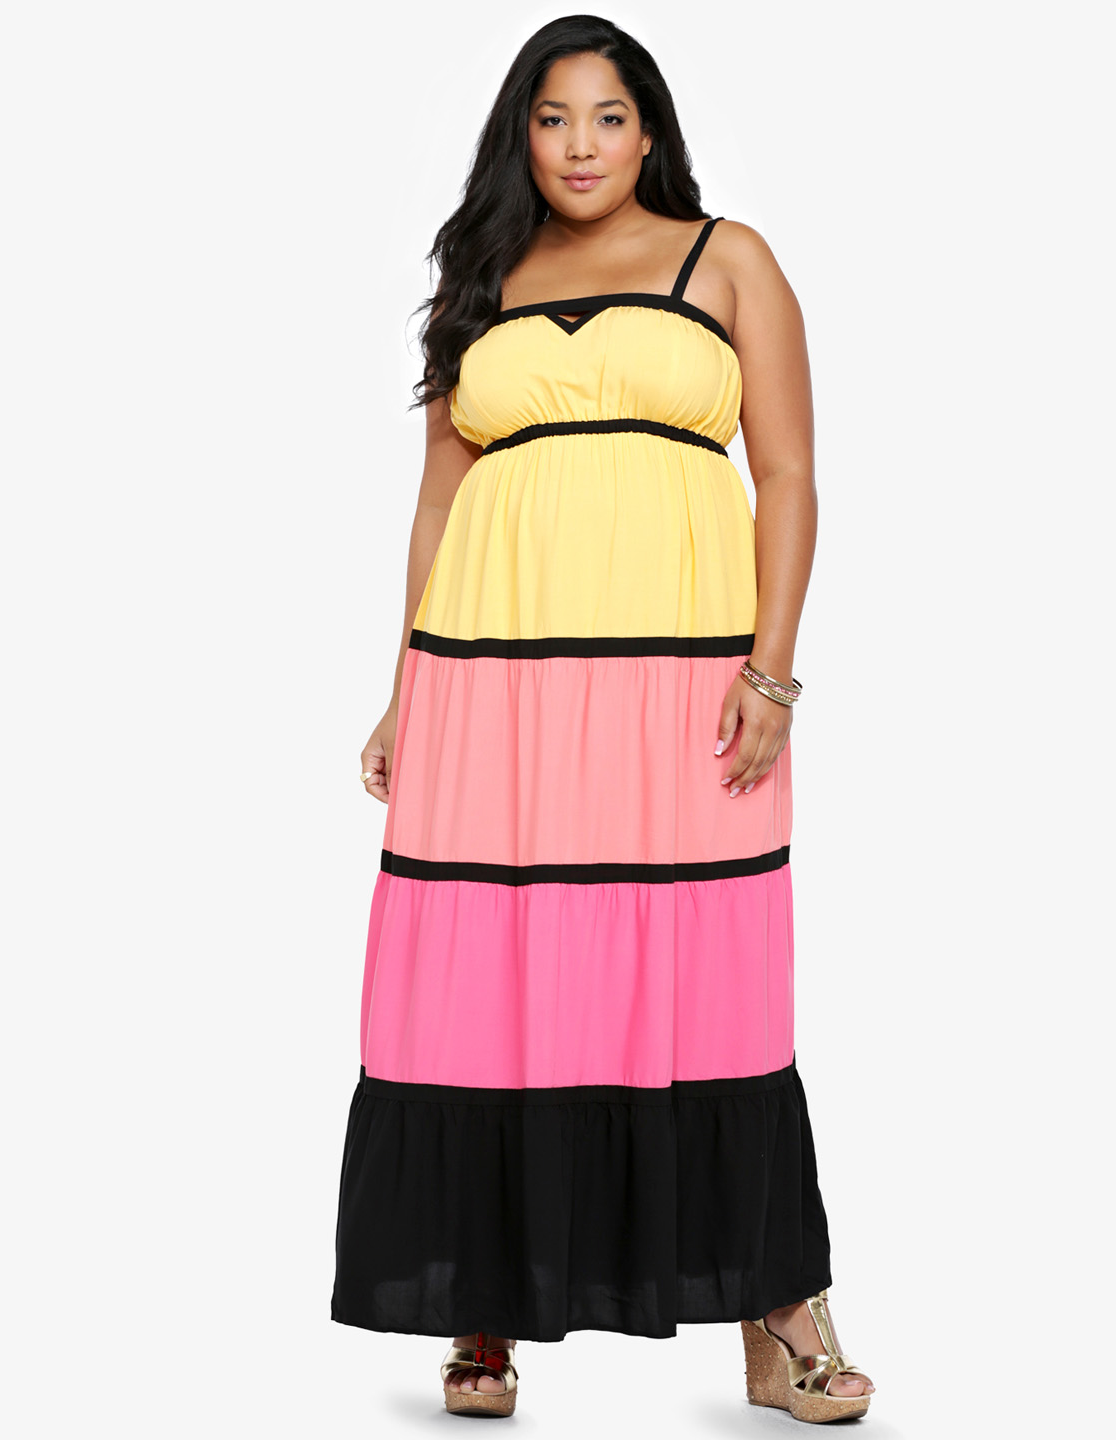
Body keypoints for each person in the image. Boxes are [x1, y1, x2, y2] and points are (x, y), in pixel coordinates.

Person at [331, 13, 877, 1426]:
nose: (580, 146)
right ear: (520, 133)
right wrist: (405, 683)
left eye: (609, 117)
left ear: (650, 132)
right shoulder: (482, 277)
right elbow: (442, 496)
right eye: (553, 117)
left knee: (713, 972)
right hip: (491, 682)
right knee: (491, 968)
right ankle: (482, 1298)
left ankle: (779, 1316)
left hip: (679, 679)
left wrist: (772, 672)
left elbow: (790, 473)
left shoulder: (727, 259)